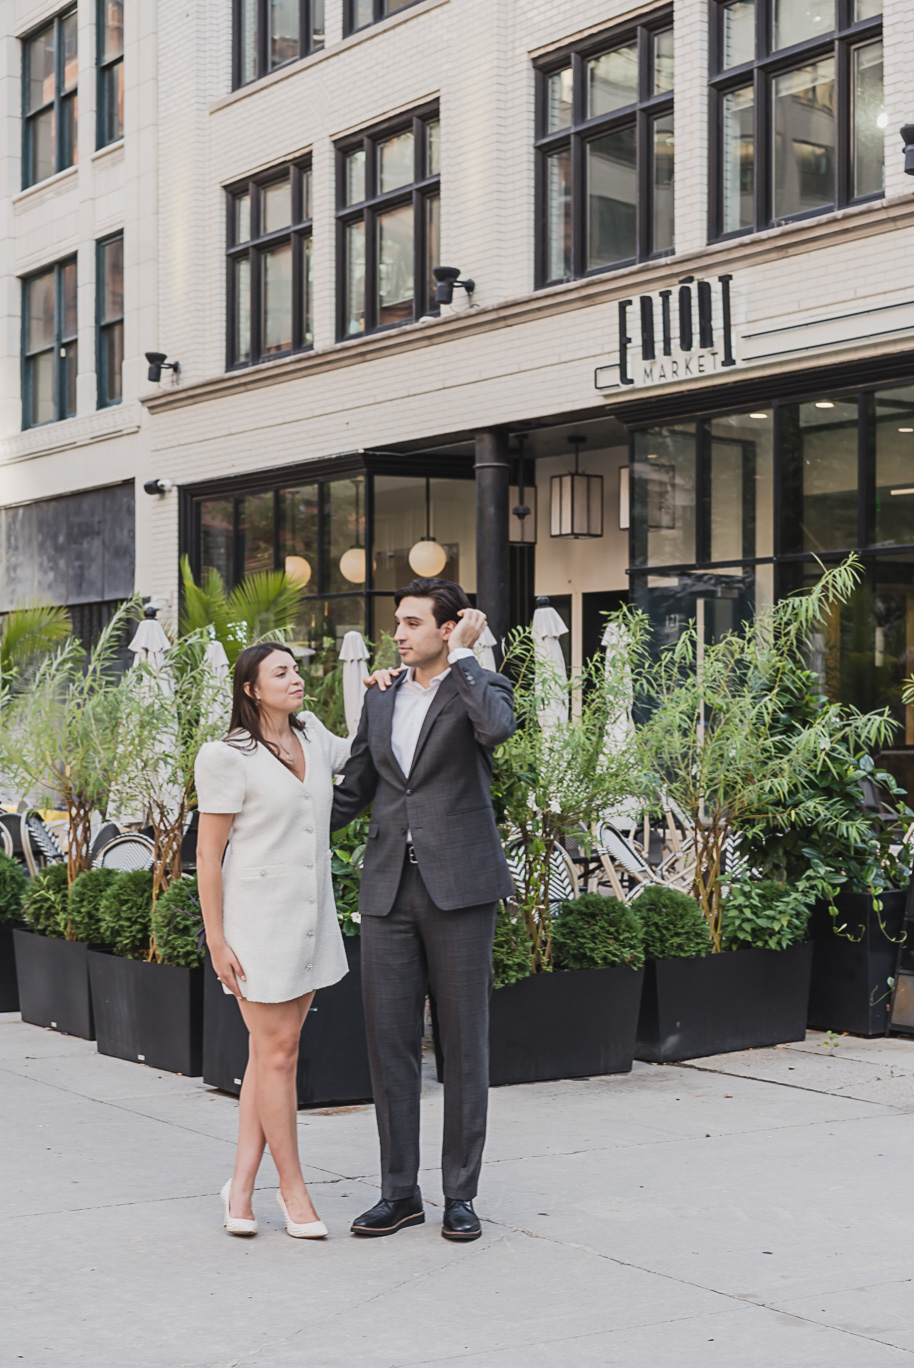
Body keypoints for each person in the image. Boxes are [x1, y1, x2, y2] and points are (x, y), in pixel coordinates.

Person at [331, 577, 516, 1243]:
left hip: (460, 888)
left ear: (449, 627)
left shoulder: (481, 686)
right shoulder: (379, 698)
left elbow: (497, 731)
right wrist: (279, 837)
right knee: (390, 1046)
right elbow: (355, 786)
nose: (400, 634)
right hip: (388, 891)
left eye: (413, 623)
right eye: (398, 624)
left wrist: (468, 658)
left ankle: (459, 1195)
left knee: (464, 1046)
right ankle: (399, 1193)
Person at [195, 642, 350, 1240]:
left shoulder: (312, 735)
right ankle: (293, 1189)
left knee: (269, 1056)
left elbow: (363, 744)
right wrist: (217, 940)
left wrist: (387, 683)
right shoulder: (226, 755)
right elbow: (209, 855)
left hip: (311, 920)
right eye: (280, 672)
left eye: (296, 669)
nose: (296, 679)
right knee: (278, 1054)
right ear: (252, 689)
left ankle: (239, 1185)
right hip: (255, 923)